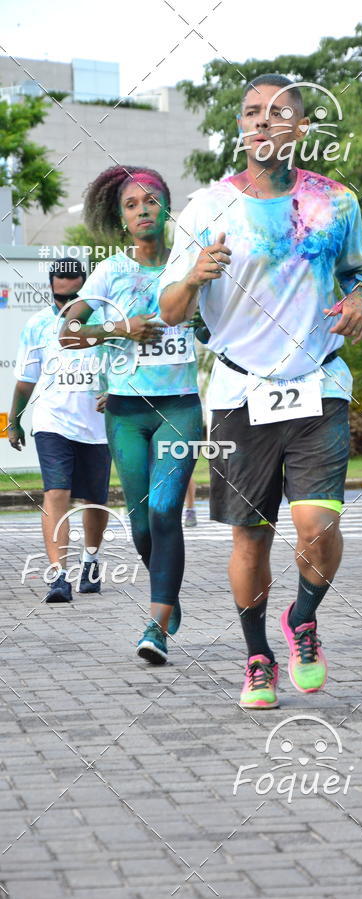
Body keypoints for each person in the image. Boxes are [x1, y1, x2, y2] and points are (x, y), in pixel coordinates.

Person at [159, 74, 362, 709]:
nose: (261, 121)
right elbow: (171, 310)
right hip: (239, 391)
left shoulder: (336, 203)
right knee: (250, 538)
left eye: (277, 113)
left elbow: (358, 273)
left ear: (300, 129)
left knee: (317, 527)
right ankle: (257, 655)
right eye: (251, 112)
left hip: (320, 382)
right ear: (241, 126)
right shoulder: (205, 209)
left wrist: (359, 299)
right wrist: (195, 275)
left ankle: (302, 617)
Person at [59, 165, 202, 664]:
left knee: (166, 510)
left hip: (180, 407)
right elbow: (68, 330)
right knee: (142, 524)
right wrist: (121, 328)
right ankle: (169, 589)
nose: (143, 211)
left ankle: (156, 624)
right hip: (124, 411)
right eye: (132, 205)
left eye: (152, 201)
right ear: (122, 219)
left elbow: (212, 328)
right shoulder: (110, 272)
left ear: (167, 208)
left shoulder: (189, 264)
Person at [9, 258, 110, 602]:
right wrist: (14, 420)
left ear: (84, 280)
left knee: (94, 500)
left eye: (72, 275)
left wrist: (114, 391)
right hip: (51, 423)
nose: (65, 280)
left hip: (98, 427)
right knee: (56, 494)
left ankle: (91, 561)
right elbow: (25, 381)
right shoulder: (38, 325)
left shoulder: (104, 323)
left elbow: (124, 366)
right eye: (59, 275)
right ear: (51, 282)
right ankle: (58, 577)